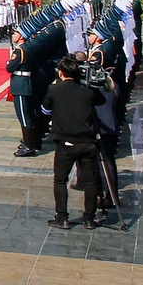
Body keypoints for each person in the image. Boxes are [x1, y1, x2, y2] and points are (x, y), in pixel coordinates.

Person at [42, 56, 105, 229]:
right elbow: (102, 99)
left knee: (60, 180)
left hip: (66, 142)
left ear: (61, 73)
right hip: (87, 142)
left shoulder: (54, 90)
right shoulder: (87, 91)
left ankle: (62, 217)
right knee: (91, 182)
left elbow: (45, 109)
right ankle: (89, 219)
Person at [6, 35, 42, 157]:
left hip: (21, 84)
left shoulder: (20, 51)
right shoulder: (27, 48)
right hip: (25, 82)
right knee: (28, 114)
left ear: (21, 36)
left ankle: (29, 146)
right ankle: (32, 141)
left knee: (24, 116)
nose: (13, 36)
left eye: (15, 33)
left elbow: (9, 67)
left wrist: (9, 61)